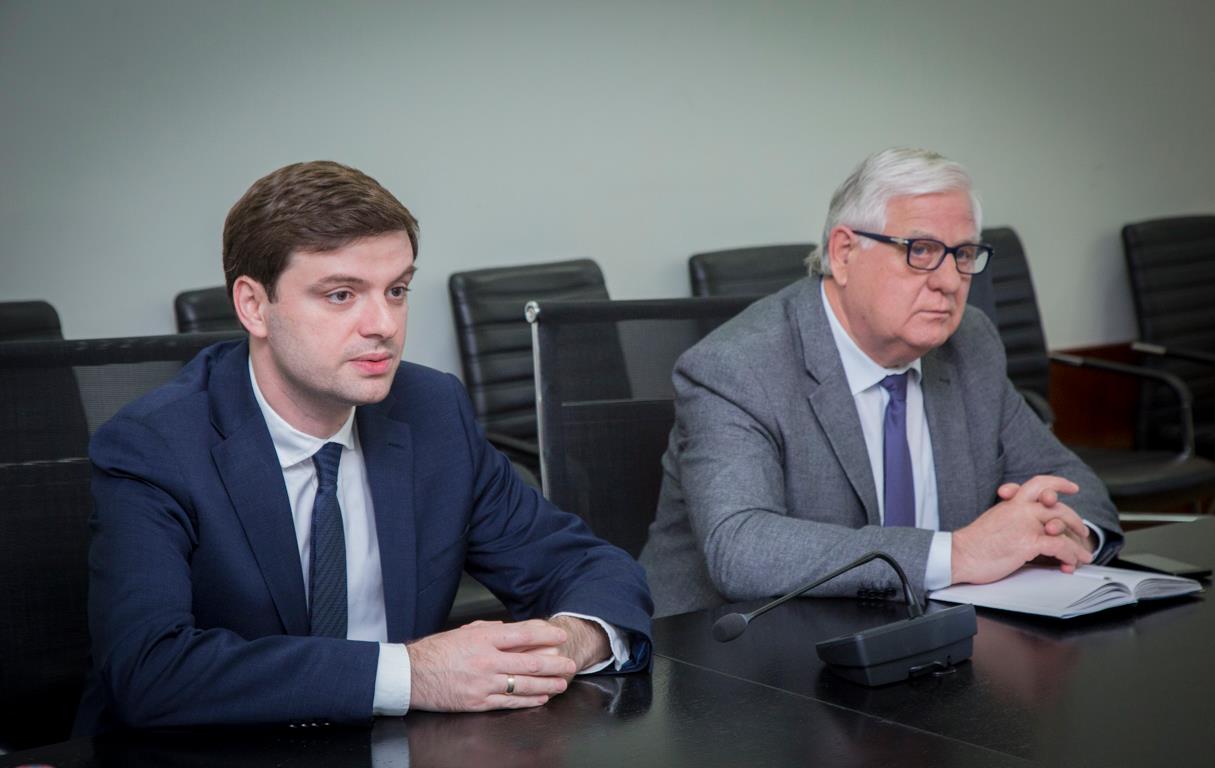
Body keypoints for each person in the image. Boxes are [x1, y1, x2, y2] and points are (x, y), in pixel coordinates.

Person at [74, 161, 652, 735]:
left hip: (396, 745)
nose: (383, 325)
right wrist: (413, 674)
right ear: (253, 306)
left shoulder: (432, 412)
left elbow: (585, 566)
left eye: (397, 290)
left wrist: (562, 645)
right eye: (341, 294)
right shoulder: (155, 445)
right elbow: (149, 668)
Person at [639, 147, 1122, 617]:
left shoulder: (969, 343)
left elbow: (1073, 484)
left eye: (963, 254)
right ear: (844, 252)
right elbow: (742, 548)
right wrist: (959, 554)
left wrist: (1056, 531)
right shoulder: (738, 366)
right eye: (921, 250)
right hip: (735, 647)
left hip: (925, 639)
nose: (950, 281)